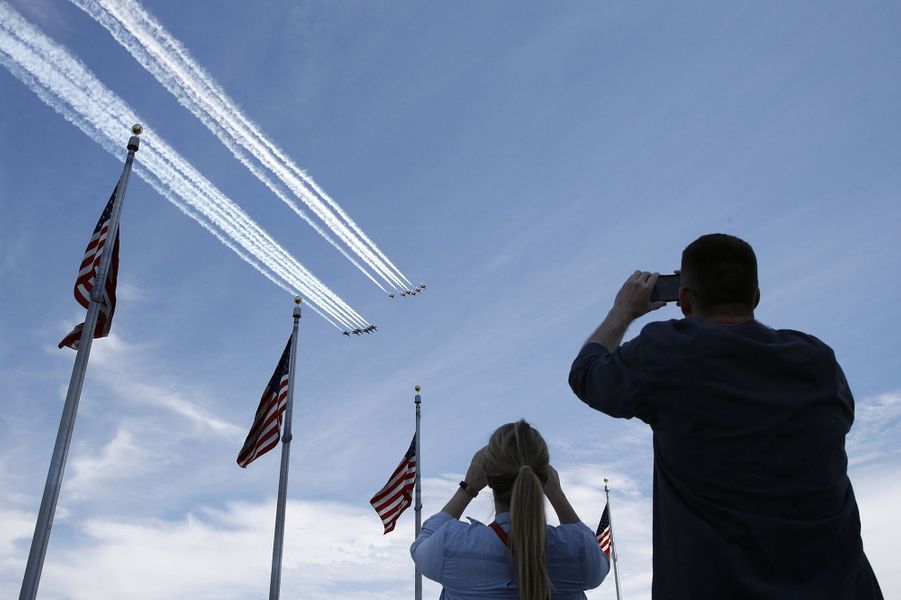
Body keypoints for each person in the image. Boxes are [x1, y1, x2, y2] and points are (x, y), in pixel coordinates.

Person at [568, 233, 883, 599]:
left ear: (683, 300)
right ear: (756, 297)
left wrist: (623, 310)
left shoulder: (668, 352)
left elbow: (587, 374)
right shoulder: (819, 362)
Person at [410, 420, 608, 599]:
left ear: (488, 480)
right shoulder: (577, 551)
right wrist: (557, 495)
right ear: (545, 478)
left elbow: (421, 544)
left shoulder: (452, 546)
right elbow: (597, 554)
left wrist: (467, 488)